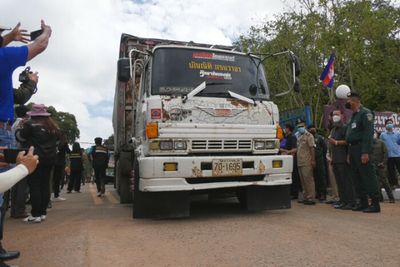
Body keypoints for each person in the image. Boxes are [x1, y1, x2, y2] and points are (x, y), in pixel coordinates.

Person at [0, 20, 51, 263]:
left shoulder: (28, 126)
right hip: (34, 157)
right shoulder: (53, 130)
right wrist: (47, 32)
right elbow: (40, 45)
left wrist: (8, 37)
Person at [15, 104, 60, 223]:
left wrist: (20, 128)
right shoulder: (53, 127)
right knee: (45, 185)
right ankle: (43, 212)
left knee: (34, 185)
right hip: (50, 159)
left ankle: (35, 214)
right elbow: (58, 140)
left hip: (34, 158)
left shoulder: (30, 125)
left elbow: (20, 137)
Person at [345, 91, 381, 213]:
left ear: (355, 101)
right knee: (357, 177)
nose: (347, 102)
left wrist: (365, 152)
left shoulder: (365, 113)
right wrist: (349, 153)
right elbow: (351, 136)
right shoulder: (354, 116)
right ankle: (363, 202)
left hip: (362, 149)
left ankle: (375, 204)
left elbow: (368, 134)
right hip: (353, 149)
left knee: (368, 176)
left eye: (349, 100)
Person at [327, 109, 355, 210]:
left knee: (346, 182)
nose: (335, 116)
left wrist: (336, 142)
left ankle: (350, 202)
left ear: (342, 115)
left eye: (337, 114)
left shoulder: (345, 128)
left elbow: (349, 142)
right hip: (335, 159)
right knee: (339, 182)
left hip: (343, 159)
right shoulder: (334, 129)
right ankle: (343, 201)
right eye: (333, 114)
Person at [296, 120, 316, 205]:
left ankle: (311, 197)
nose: (300, 128)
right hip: (300, 161)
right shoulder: (299, 137)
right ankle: (306, 196)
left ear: (305, 126)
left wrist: (313, 160)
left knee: (308, 179)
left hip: (307, 161)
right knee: (303, 181)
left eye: (301, 126)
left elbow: (312, 148)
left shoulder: (309, 136)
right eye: (298, 127)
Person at [280, 123, 301, 199]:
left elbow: (295, 149)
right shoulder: (285, 137)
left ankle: (294, 194)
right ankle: (290, 192)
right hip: (286, 160)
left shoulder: (292, 137)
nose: (284, 129)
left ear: (288, 129)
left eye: (285, 128)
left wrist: (286, 151)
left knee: (294, 177)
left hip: (292, 159)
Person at [372, 131, 395, 203]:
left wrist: (383, 163)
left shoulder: (381, 143)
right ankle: (380, 198)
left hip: (381, 166)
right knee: (376, 183)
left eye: (374, 133)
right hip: (373, 165)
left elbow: (386, 153)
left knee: (385, 182)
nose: (373, 135)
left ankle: (391, 198)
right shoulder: (369, 143)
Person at [307, 124, 328, 201]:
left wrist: (321, 156)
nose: (312, 129)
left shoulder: (319, 138)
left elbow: (325, 148)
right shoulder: (308, 138)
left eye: (313, 128)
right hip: (311, 159)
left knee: (321, 176)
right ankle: (318, 193)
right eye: (310, 128)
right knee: (315, 177)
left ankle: (323, 194)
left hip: (319, 159)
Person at [379, 119, 400, 188]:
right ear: (385, 125)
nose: (389, 124)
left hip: (398, 155)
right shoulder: (382, 135)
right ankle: (394, 184)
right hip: (388, 156)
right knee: (391, 171)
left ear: (393, 124)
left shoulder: (398, 133)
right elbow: (380, 144)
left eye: (390, 123)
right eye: (388, 123)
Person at [52, 133, 70, 201]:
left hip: (52, 161)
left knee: (52, 179)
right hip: (60, 163)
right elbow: (68, 151)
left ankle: (51, 194)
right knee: (57, 179)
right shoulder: (64, 143)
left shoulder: (53, 141)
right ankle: (56, 195)